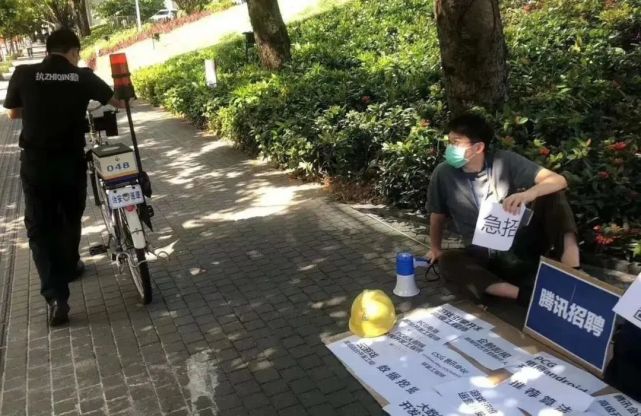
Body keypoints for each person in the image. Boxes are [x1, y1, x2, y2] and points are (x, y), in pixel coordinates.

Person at [3, 28, 123, 326]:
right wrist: (123, 79)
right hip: (70, 162)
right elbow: (118, 102)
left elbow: (13, 114)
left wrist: (39, 108)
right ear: (73, 51)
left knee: (39, 228)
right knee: (70, 217)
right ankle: (70, 265)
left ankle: (56, 296)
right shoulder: (81, 76)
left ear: (47, 50)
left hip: (36, 163)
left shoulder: (23, 73)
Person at [426, 113, 581, 306]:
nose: (449, 148)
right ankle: (523, 295)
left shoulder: (504, 160)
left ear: (478, 147)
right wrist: (435, 248)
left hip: (519, 246)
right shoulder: (443, 173)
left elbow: (558, 180)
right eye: (449, 142)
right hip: (481, 254)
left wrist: (528, 194)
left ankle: (573, 270)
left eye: (455, 143)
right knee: (448, 261)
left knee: (552, 193)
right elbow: (437, 214)